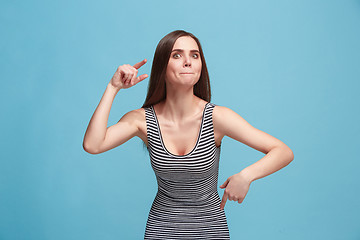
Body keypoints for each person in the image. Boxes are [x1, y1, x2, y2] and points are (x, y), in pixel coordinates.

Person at [83, 30, 294, 239]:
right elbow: (93, 145)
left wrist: (246, 176)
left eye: (195, 55)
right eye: (177, 55)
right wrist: (113, 88)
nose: (188, 62)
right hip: (161, 231)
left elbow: (282, 151)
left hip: (211, 232)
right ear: (162, 67)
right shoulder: (142, 120)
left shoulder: (216, 117)